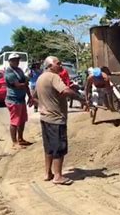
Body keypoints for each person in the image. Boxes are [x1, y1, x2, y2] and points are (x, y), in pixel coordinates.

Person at [34, 56, 87, 185]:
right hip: (56, 119)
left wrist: (43, 105)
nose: (61, 65)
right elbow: (66, 90)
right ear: (50, 66)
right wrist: (82, 98)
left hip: (45, 118)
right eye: (58, 63)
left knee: (49, 148)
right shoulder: (54, 77)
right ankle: (58, 176)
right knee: (59, 147)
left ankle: (48, 173)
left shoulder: (40, 78)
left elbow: (33, 96)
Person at [4, 53, 34, 148]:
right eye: (14, 60)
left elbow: (25, 85)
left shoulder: (19, 70)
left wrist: (30, 96)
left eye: (17, 60)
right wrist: (26, 81)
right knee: (15, 121)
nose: (16, 61)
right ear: (10, 62)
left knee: (22, 120)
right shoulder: (9, 73)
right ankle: (14, 142)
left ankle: (20, 139)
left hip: (21, 99)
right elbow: (18, 85)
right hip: (13, 100)